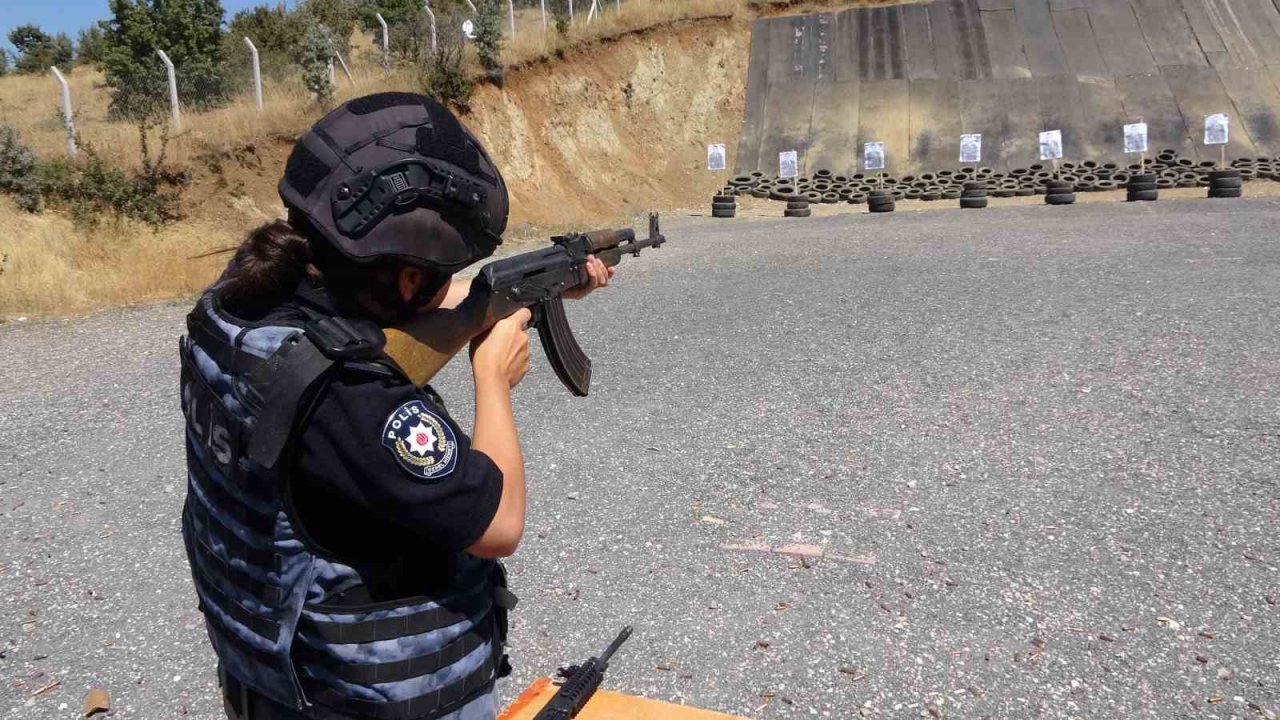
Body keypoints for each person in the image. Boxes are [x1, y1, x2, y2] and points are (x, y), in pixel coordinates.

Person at [179, 92, 612, 720]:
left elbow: (435, 303)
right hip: (369, 697)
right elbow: (500, 524)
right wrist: (491, 376)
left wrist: (531, 289)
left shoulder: (239, 305)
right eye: (432, 274)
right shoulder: (353, 397)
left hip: (274, 675)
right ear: (407, 280)